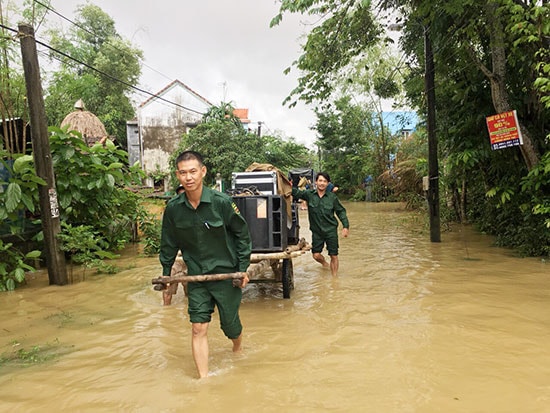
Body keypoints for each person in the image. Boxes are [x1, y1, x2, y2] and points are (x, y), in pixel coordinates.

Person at [159, 150, 252, 379]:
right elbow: (168, 243)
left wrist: (242, 269)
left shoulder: (222, 203)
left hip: (226, 276)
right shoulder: (173, 209)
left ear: (203, 172)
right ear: (177, 175)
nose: (188, 177)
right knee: (198, 327)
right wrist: (166, 275)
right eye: (183, 173)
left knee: (230, 326)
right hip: (197, 277)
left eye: (193, 171)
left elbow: (242, 236)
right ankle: (204, 379)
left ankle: (237, 348)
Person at [291, 172, 349, 276]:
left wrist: (345, 226)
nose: (322, 183)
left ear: (328, 183)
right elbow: (295, 192)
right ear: (316, 182)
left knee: (333, 255)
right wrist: (286, 184)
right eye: (320, 181)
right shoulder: (309, 195)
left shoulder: (332, 198)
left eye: (325, 181)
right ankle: (324, 264)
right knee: (316, 255)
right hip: (317, 231)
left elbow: (341, 211)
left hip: (330, 230)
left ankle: (334, 279)